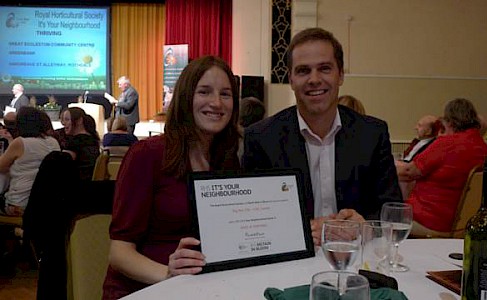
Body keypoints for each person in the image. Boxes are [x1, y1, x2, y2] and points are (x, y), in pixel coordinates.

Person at [242, 27, 402, 246]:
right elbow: (252, 219)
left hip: (357, 257)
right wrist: (301, 230)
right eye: (303, 71)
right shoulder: (261, 138)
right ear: (291, 79)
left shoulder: (372, 134)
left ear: (341, 75)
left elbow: (391, 209)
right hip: (291, 259)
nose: (314, 79)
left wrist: (364, 226)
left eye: (325, 68)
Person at [102, 56, 241, 298]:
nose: (216, 103)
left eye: (226, 94)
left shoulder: (228, 161)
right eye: (204, 92)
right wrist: (169, 274)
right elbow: (119, 253)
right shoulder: (147, 155)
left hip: (204, 289)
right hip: (145, 289)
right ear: (186, 98)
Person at [396, 98, 487, 235]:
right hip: (463, 223)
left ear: (449, 121)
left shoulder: (448, 144)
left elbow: (408, 172)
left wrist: (381, 170)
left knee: (378, 212)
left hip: (430, 220)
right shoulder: (483, 147)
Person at [0, 107, 60, 216]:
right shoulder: (53, 142)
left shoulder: (20, 143)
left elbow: (1, 167)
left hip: (19, 204)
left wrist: (9, 141)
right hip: (47, 203)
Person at [62, 107, 100, 181]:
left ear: (79, 121)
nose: (63, 123)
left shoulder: (75, 142)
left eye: (67, 119)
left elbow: (62, 165)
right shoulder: (93, 139)